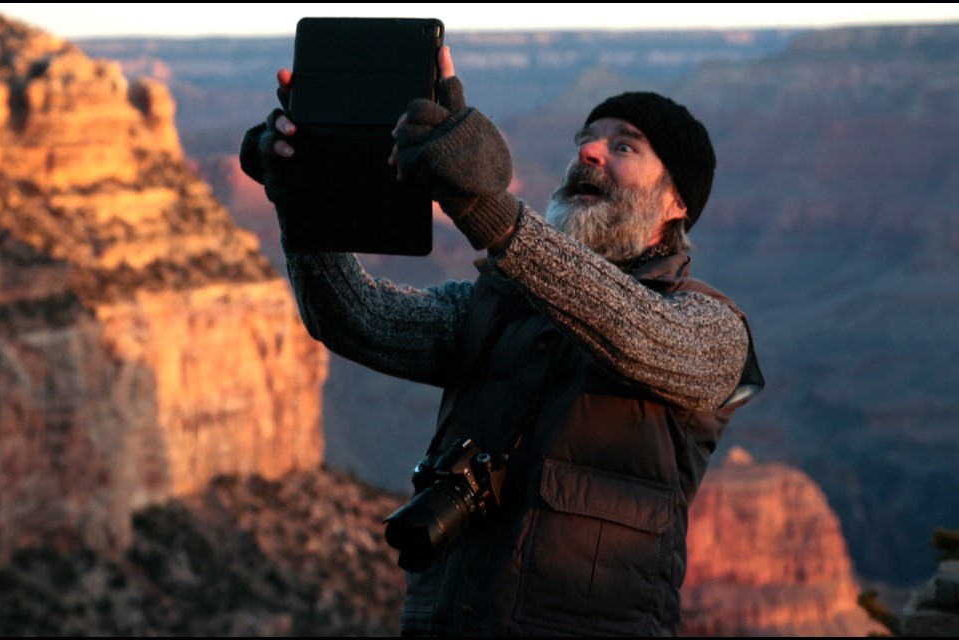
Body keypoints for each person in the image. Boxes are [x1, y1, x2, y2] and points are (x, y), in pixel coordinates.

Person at [240, 46, 763, 637]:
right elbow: (356, 317)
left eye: (624, 147)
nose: (589, 152)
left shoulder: (711, 327)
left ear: (677, 203)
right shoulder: (497, 304)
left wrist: (485, 209)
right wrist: (303, 203)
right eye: (585, 140)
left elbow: (640, 333)